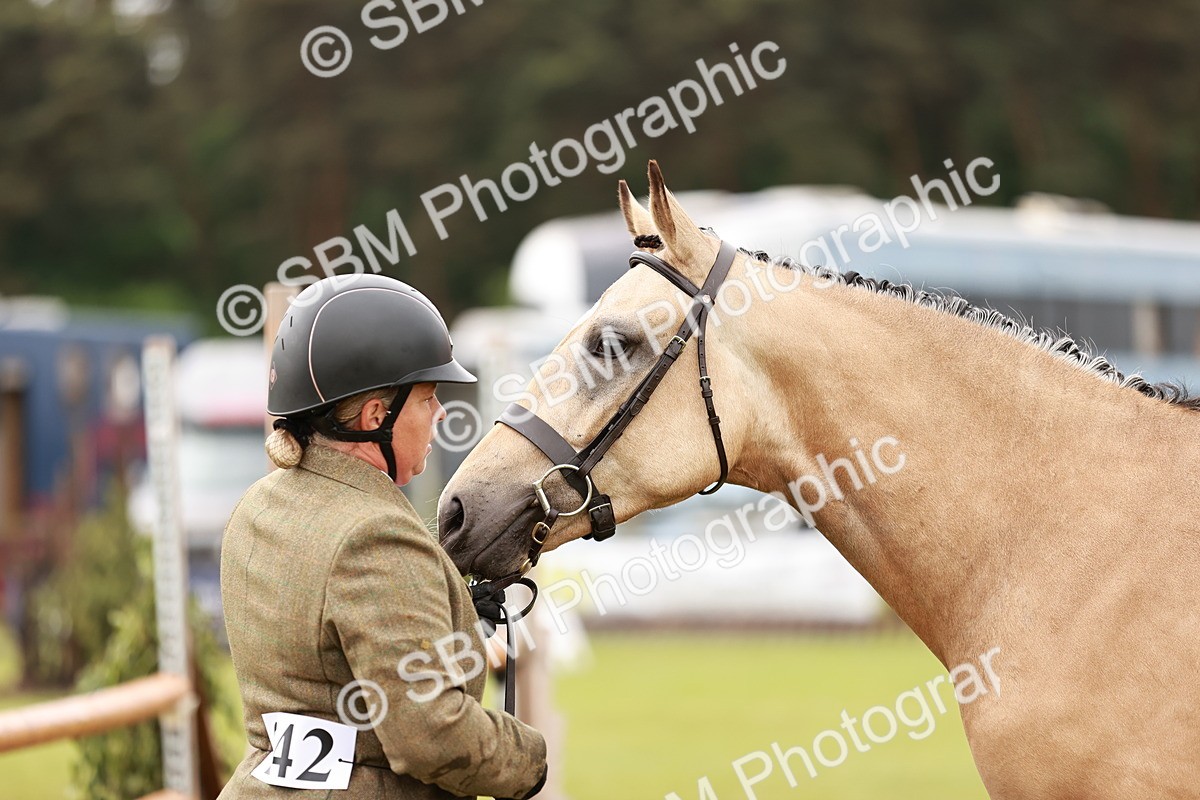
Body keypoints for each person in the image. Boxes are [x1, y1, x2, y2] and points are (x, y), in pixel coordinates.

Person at [218, 274, 547, 799]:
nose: (441, 414)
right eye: (428, 398)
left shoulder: (259, 505)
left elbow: (332, 644)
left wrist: (451, 606)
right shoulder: (376, 537)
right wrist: (529, 759)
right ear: (376, 416)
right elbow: (432, 736)